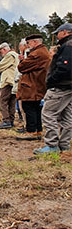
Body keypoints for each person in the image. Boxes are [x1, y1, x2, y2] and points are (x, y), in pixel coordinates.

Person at [33, 23, 72, 154]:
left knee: (48, 113)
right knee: (67, 116)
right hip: (69, 88)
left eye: (58, 33)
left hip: (60, 86)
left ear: (65, 32)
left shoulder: (67, 46)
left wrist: (51, 80)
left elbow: (64, 68)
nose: (56, 36)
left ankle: (52, 145)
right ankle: (65, 145)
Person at [16, 34, 51, 141]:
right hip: (37, 84)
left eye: (28, 43)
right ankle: (38, 130)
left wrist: (22, 61)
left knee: (29, 107)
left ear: (35, 42)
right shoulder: (43, 52)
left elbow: (21, 67)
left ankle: (32, 131)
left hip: (32, 85)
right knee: (36, 108)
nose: (27, 45)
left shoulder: (36, 54)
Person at [0, 42, 19, 129]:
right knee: (12, 102)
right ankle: (11, 120)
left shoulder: (9, 55)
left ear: (4, 49)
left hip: (8, 81)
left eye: (1, 52)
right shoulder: (16, 55)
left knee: (2, 101)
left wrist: (0, 65)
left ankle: (6, 121)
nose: (1, 54)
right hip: (13, 81)